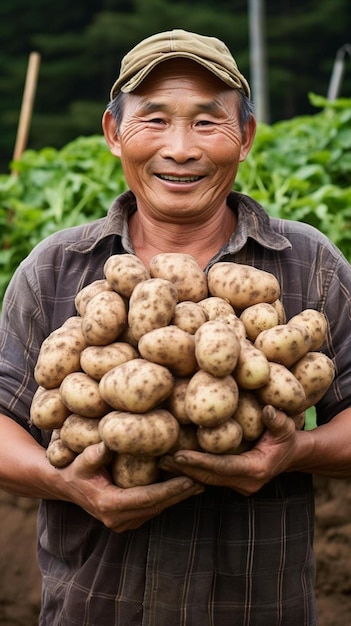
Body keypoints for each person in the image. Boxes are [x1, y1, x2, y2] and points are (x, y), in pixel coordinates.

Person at [0, 28, 350, 626]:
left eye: (208, 123)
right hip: (94, 609)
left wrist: (294, 454)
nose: (181, 148)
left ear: (245, 138)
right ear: (114, 134)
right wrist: (69, 484)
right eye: (155, 119)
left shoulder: (312, 264)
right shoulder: (54, 268)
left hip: (258, 609)